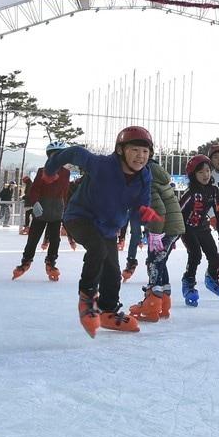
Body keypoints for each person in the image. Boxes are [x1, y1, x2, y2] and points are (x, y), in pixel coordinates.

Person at [46, 128, 159, 336]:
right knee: (97, 249)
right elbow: (74, 152)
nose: (140, 156)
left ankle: (108, 311)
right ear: (120, 150)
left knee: (113, 272)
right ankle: (87, 299)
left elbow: (141, 203)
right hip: (80, 217)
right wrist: (50, 169)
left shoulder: (144, 176)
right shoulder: (102, 165)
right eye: (134, 150)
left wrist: (145, 212)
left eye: (145, 151)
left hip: (108, 226)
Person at [129, 133, 186, 322]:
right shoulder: (154, 172)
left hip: (163, 227)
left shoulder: (147, 178)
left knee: (153, 262)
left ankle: (152, 304)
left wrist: (155, 234)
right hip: (172, 226)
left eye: (143, 151)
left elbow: (158, 210)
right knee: (160, 262)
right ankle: (164, 302)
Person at [179, 153, 219, 306]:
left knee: (214, 256)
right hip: (187, 228)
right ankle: (188, 283)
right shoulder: (190, 194)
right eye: (200, 172)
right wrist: (172, 234)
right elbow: (178, 212)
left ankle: (212, 278)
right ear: (193, 175)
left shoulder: (213, 190)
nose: (205, 174)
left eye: (207, 170)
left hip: (203, 227)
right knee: (195, 255)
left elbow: (217, 204)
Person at [14, 163, 70, 280]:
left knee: (55, 239)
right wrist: (35, 202)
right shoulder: (42, 171)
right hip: (41, 211)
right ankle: (26, 261)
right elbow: (34, 189)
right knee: (33, 238)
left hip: (56, 211)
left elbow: (65, 192)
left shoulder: (65, 173)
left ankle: (51, 262)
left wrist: (66, 208)